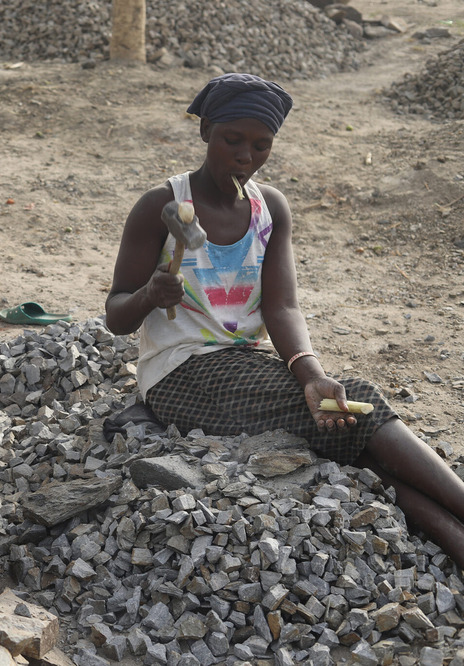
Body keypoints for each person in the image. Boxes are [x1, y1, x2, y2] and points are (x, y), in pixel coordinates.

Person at [105, 73, 464, 566]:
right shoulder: (159, 206)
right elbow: (116, 316)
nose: (245, 156)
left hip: (247, 366)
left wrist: (310, 374)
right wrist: (149, 293)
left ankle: (454, 539)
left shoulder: (269, 208)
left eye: (261, 145)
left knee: (343, 429)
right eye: (232, 140)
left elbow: (282, 307)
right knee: (362, 403)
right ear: (205, 129)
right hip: (178, 373)